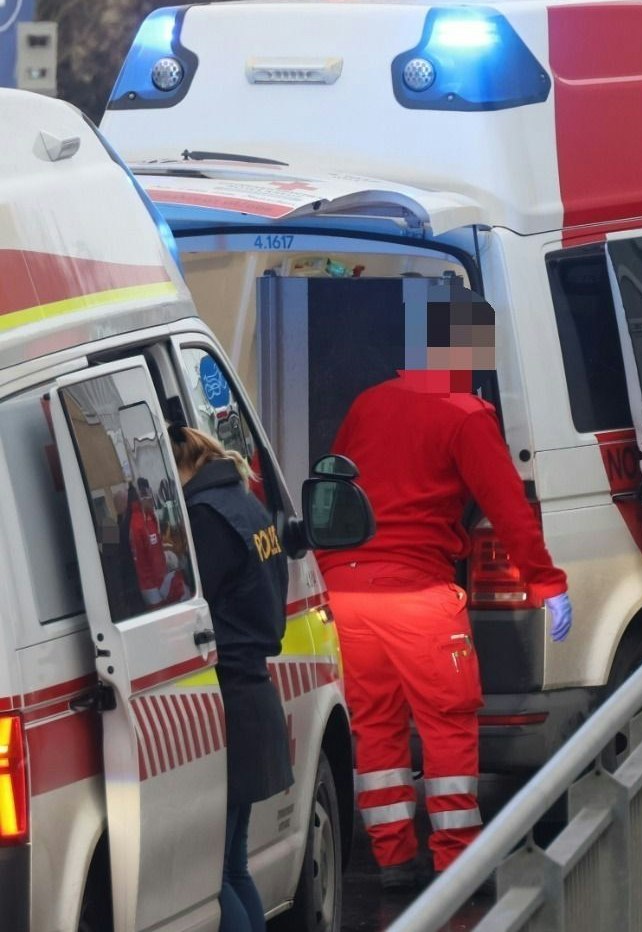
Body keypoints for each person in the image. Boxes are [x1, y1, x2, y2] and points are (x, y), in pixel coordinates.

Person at [319, 296, 573, 887]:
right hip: (416, 596)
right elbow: (509, 509)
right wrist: (546, 581)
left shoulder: (368, 403)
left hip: (345, 594)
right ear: (473, 352)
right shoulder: (465, 414)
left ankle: (393, 858)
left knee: (375, 725)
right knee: (448, 724)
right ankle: (457, 862)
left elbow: (334, 487)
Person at [172, 427, 293, 932]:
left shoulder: (206, 517)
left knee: (215, 876)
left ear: (180, 465)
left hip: (228, 705)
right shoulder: (247, 505)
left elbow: (189, 606)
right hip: (253, 694)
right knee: (232, 866)